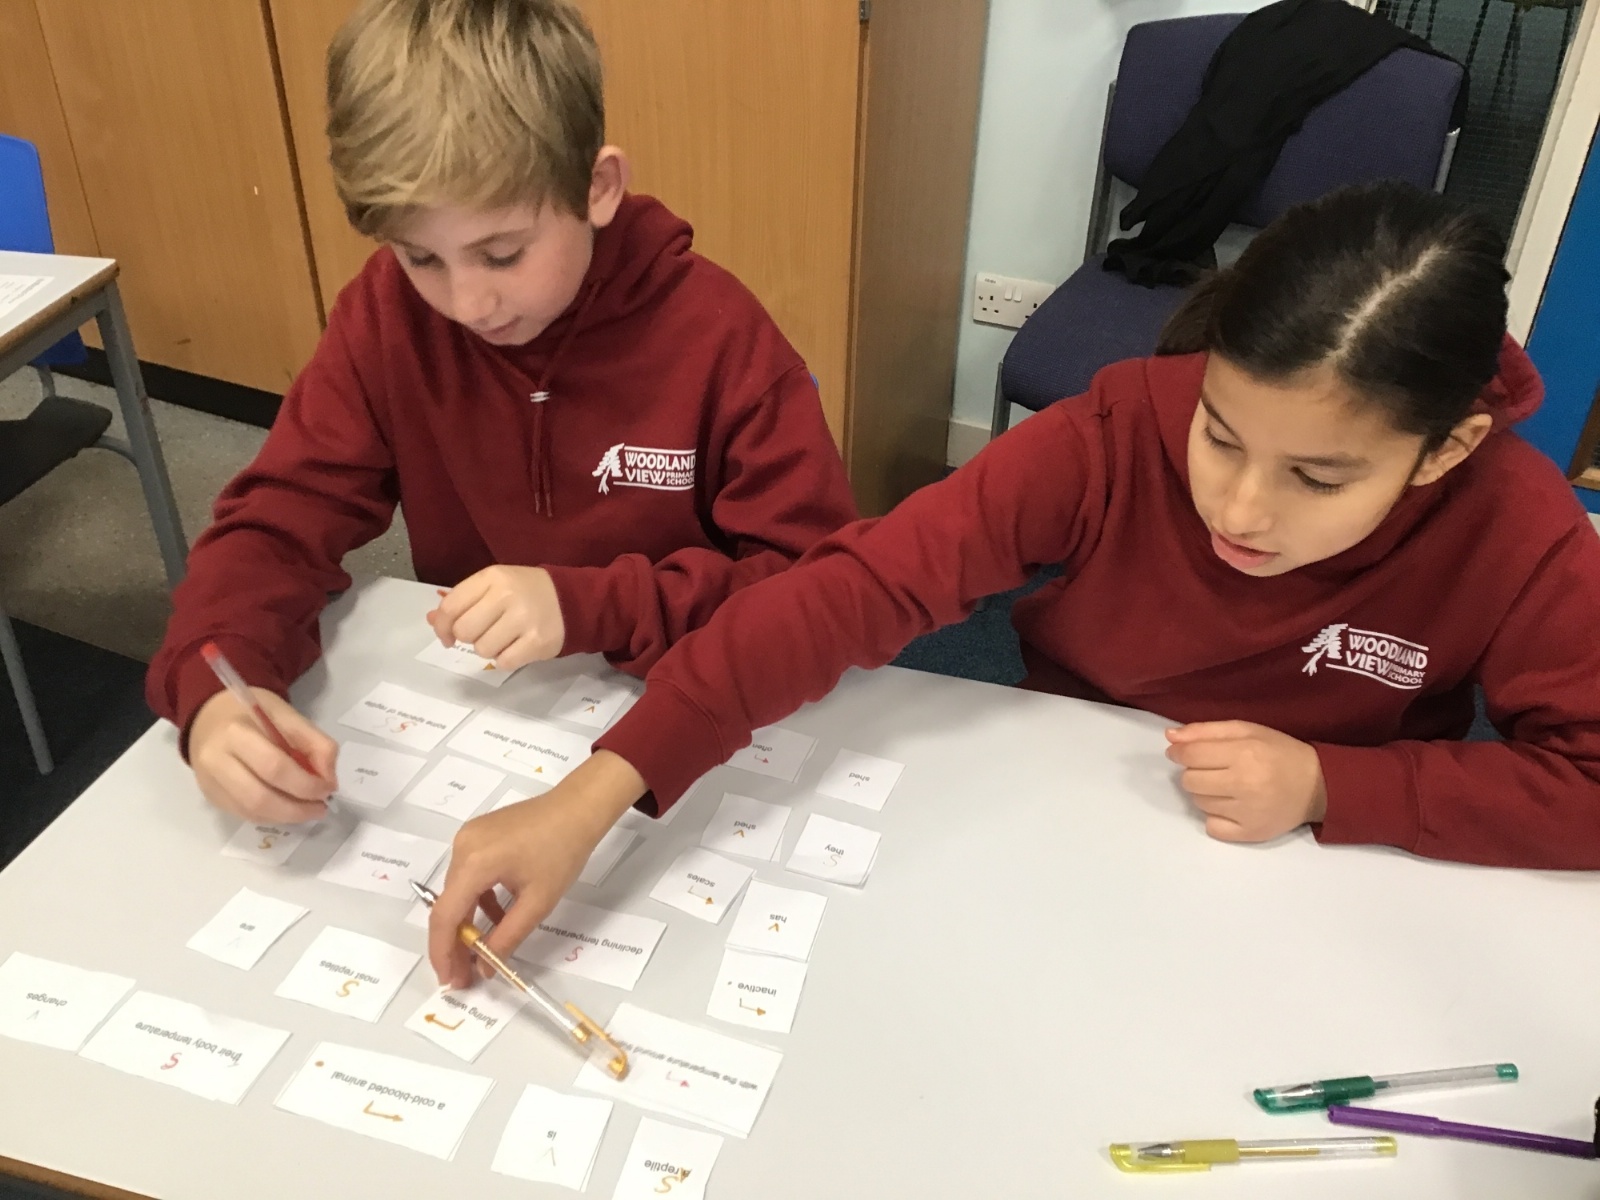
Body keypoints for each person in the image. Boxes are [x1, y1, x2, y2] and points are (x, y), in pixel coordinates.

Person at [428, 180, 1600, 987]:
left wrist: (1333, 785)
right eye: (1220, 435)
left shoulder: (1520, 528)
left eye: (1317, 477)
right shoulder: (1115, 429)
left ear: (1442, 451)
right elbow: (855, 588)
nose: (1241, 509)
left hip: (1314, 880)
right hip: (1062, 797)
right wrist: (596, 793)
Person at [146, 0, 857, 823]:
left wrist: (593, 605)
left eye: (503, 253)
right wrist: (219, 687)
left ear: (597, 188)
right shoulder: (385, 317)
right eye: (422, 257)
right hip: (495, 715)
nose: (468, 303)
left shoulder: (719, 336)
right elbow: (278, 521)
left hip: (700, 712)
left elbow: (822, 590)